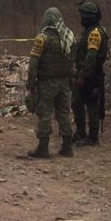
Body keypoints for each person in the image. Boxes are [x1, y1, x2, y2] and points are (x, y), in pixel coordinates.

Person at [25, 8, 76, 159]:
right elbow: (73, 59)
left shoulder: (43, 38)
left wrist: (30, 83)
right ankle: (67, 147)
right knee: (64, 113)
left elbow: (33, 62)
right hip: (65, 82)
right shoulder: (69, 36)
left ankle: (43, 148)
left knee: (44, 113)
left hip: (47, 82)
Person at [72, 0, 109, 146]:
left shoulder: (95, 33)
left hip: (91, 74)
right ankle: (81, 132)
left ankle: (93, 138)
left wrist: (82, 75)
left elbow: (91, 56)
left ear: (89, 17)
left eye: (83, 15)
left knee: (92, 104)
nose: (81, 18)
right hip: (86, 72)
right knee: (77, 103)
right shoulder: (90, 31)